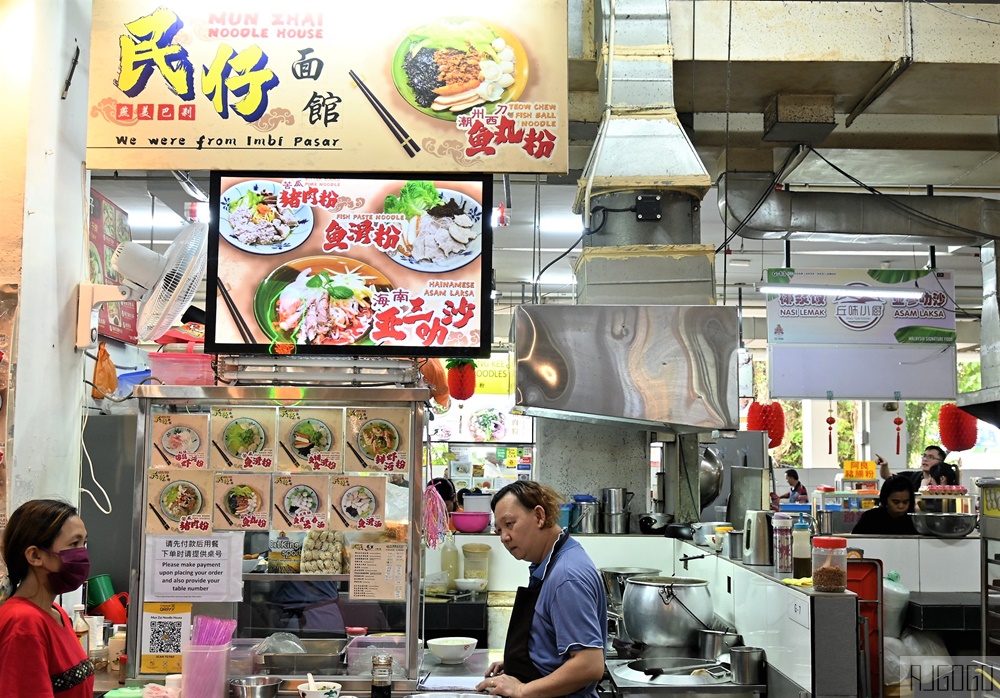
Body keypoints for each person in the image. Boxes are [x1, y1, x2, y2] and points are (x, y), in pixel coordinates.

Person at [476, 481, 605, 698]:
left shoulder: (566, 576)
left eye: (510, 524)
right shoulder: (553, 560)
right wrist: (521, 662)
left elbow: (589, 665)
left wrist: (522, 689)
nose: (504, 537)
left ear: (539, 516)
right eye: (500, 529)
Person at [0, 499, 95, 696]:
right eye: (74, 543)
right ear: (35, 556)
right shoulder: (23, 623)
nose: (82, 554)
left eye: (83, 543)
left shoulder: (56, 613)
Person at [851, 475, 918, 535]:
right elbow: (856, 541)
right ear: (885, 500)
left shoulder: (913, 521)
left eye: (905, 502)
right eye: (895, 502)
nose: (901, 506)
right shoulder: (870, 518)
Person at [877, 445, 947, 491]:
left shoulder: (944, 479)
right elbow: (887, 476)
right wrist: (884, 465)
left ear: (941, 462)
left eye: (931, 457)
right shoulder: (914, 476)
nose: (925, 459)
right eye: (924, 456)